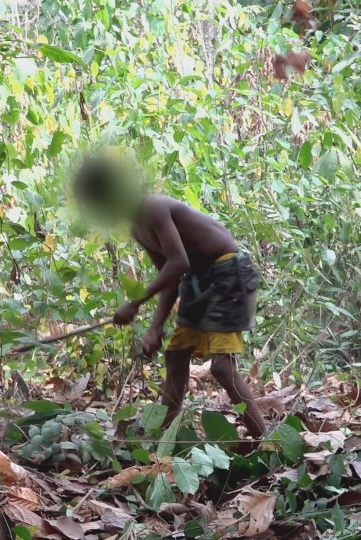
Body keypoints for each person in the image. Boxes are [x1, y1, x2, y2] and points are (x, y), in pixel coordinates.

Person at [73, 154, 266, 442]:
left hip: (227, 272)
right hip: (197, 280)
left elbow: (179, 262)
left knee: (222, 368)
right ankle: (164, 443)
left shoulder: (152, 207)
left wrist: (135, 303)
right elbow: (171, 275)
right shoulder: (138, 227)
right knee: (175, 356)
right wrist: (155, 326)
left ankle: (267, 442)